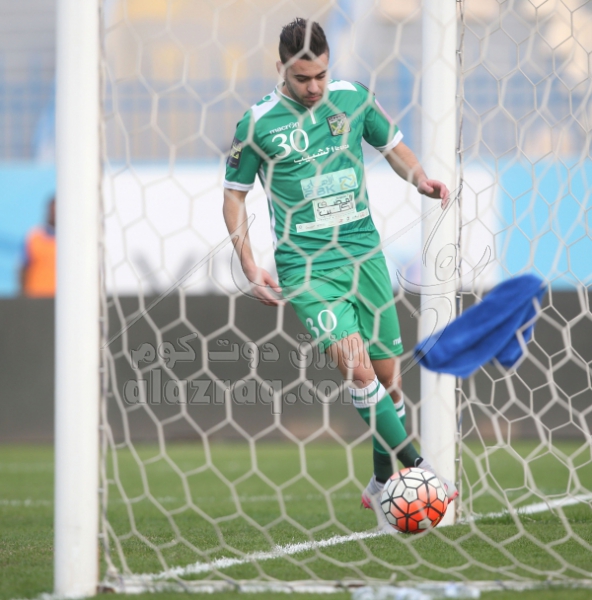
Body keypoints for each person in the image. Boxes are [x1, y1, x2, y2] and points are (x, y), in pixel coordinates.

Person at [222, 18, 458, 511]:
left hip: (363, 255)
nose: (314, 88)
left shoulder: (353, 99)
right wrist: (249, 263)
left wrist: (420, 178)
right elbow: (234, 196)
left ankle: (379, 483)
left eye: (320, 76)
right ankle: (420, 471)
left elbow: (393, 148)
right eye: (302, 78)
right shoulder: (258, 123)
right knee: (359, 372)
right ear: (281, 68)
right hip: (307, 270)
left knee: (389, 382)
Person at [20, 197, 56, 297]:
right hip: (36, 297)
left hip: (63, 297)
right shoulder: (34, 236)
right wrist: (22, 296)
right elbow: (23, 267)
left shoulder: (72, 240)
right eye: (52, 210)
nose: (55, 214)